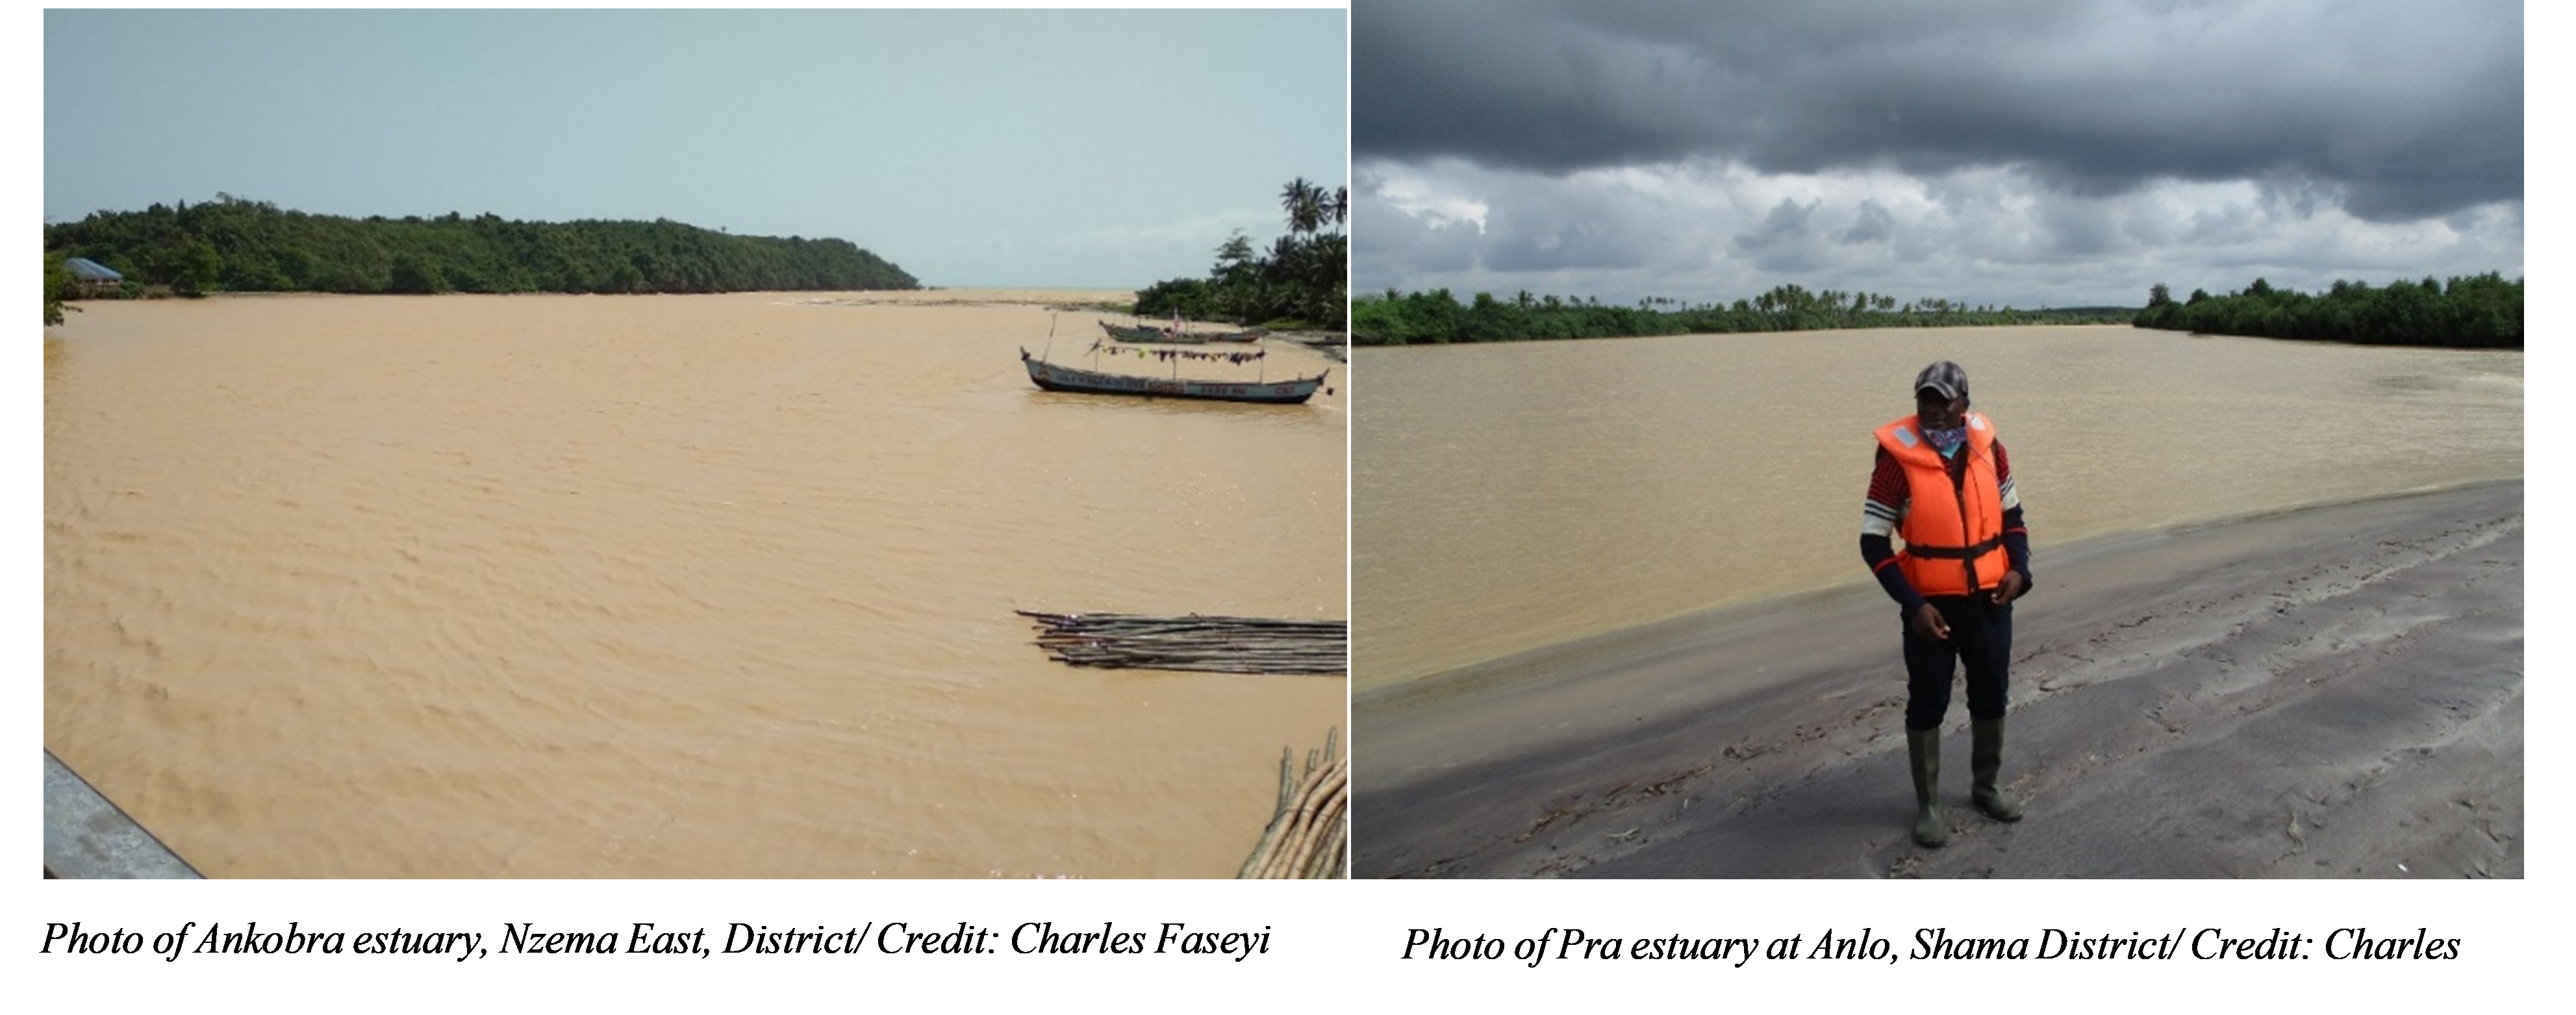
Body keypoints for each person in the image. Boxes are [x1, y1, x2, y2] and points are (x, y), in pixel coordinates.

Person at [1860, 360, 2030, 848]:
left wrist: (2020, 571)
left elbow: (2013, 517)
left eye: (1943, 401)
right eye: (1924, 401)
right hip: (1930, 607)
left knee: (1991, 693)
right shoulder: (1895, 461)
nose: (1932, 411)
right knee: (1928, 702)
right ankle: (1930, 806)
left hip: (1992, 600)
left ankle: (1986, 787)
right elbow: (1873, 543)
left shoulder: (1989, 449)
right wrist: (1913, 605)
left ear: (1964, 406)